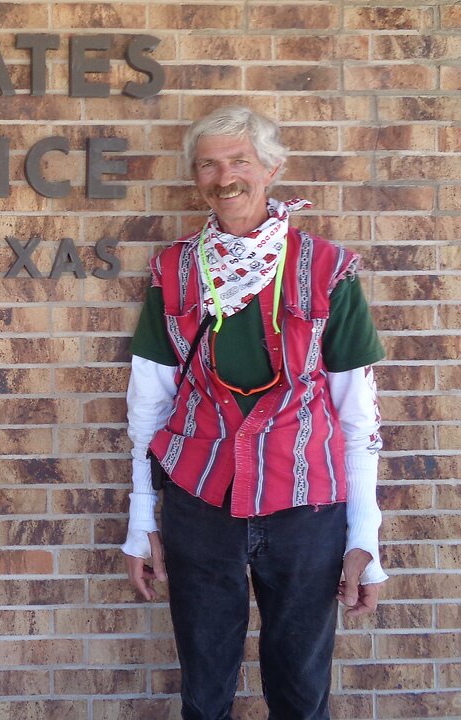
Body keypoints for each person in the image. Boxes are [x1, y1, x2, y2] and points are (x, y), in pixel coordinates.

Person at [121, 107, 388, 720]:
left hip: (305, 504)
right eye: (209, 164)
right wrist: (142, 521)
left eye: (239, 160)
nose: (225, 176)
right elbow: (148, 405)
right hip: (199, 502)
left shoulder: (326, 268)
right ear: (196, 178)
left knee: (300, 692)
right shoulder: (175, 269)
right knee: (205, 690)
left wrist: (364, 537)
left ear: (271, 169)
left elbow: (359, 416)